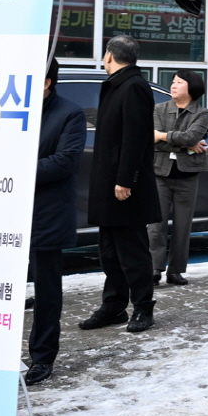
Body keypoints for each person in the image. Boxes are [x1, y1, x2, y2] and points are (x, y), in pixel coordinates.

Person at [81, 36, 161, 334]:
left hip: (124, 186)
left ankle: (143, 308)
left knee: (132, 250)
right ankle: (113, 305)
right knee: (110, 250)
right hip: (109, 183)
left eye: (104, 54)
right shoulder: (116, 85)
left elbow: (135, 138)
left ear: (110, 56)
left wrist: (125, 180)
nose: (103, 59)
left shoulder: (134, 87)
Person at [25, 60, 86, 384]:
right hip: (8, 213)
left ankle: (42, 357)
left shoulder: (70, 114)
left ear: (47, 82)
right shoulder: (11, 109)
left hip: (47, 214)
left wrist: (17, 170)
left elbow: (65, 161)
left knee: (47, 291)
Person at [150, 69, 208, 287]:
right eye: (173, 82)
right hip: (160, 172)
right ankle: (154, 269)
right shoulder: (159, 109)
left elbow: (192, 136)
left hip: (187, 175)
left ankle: (176, 271)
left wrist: (166, 137)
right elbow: (152, 138)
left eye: (179, 82)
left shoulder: (201, 113)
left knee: (182, 225)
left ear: (191, 87)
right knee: (155, 224)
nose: (173, 85)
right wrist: (186, 144)